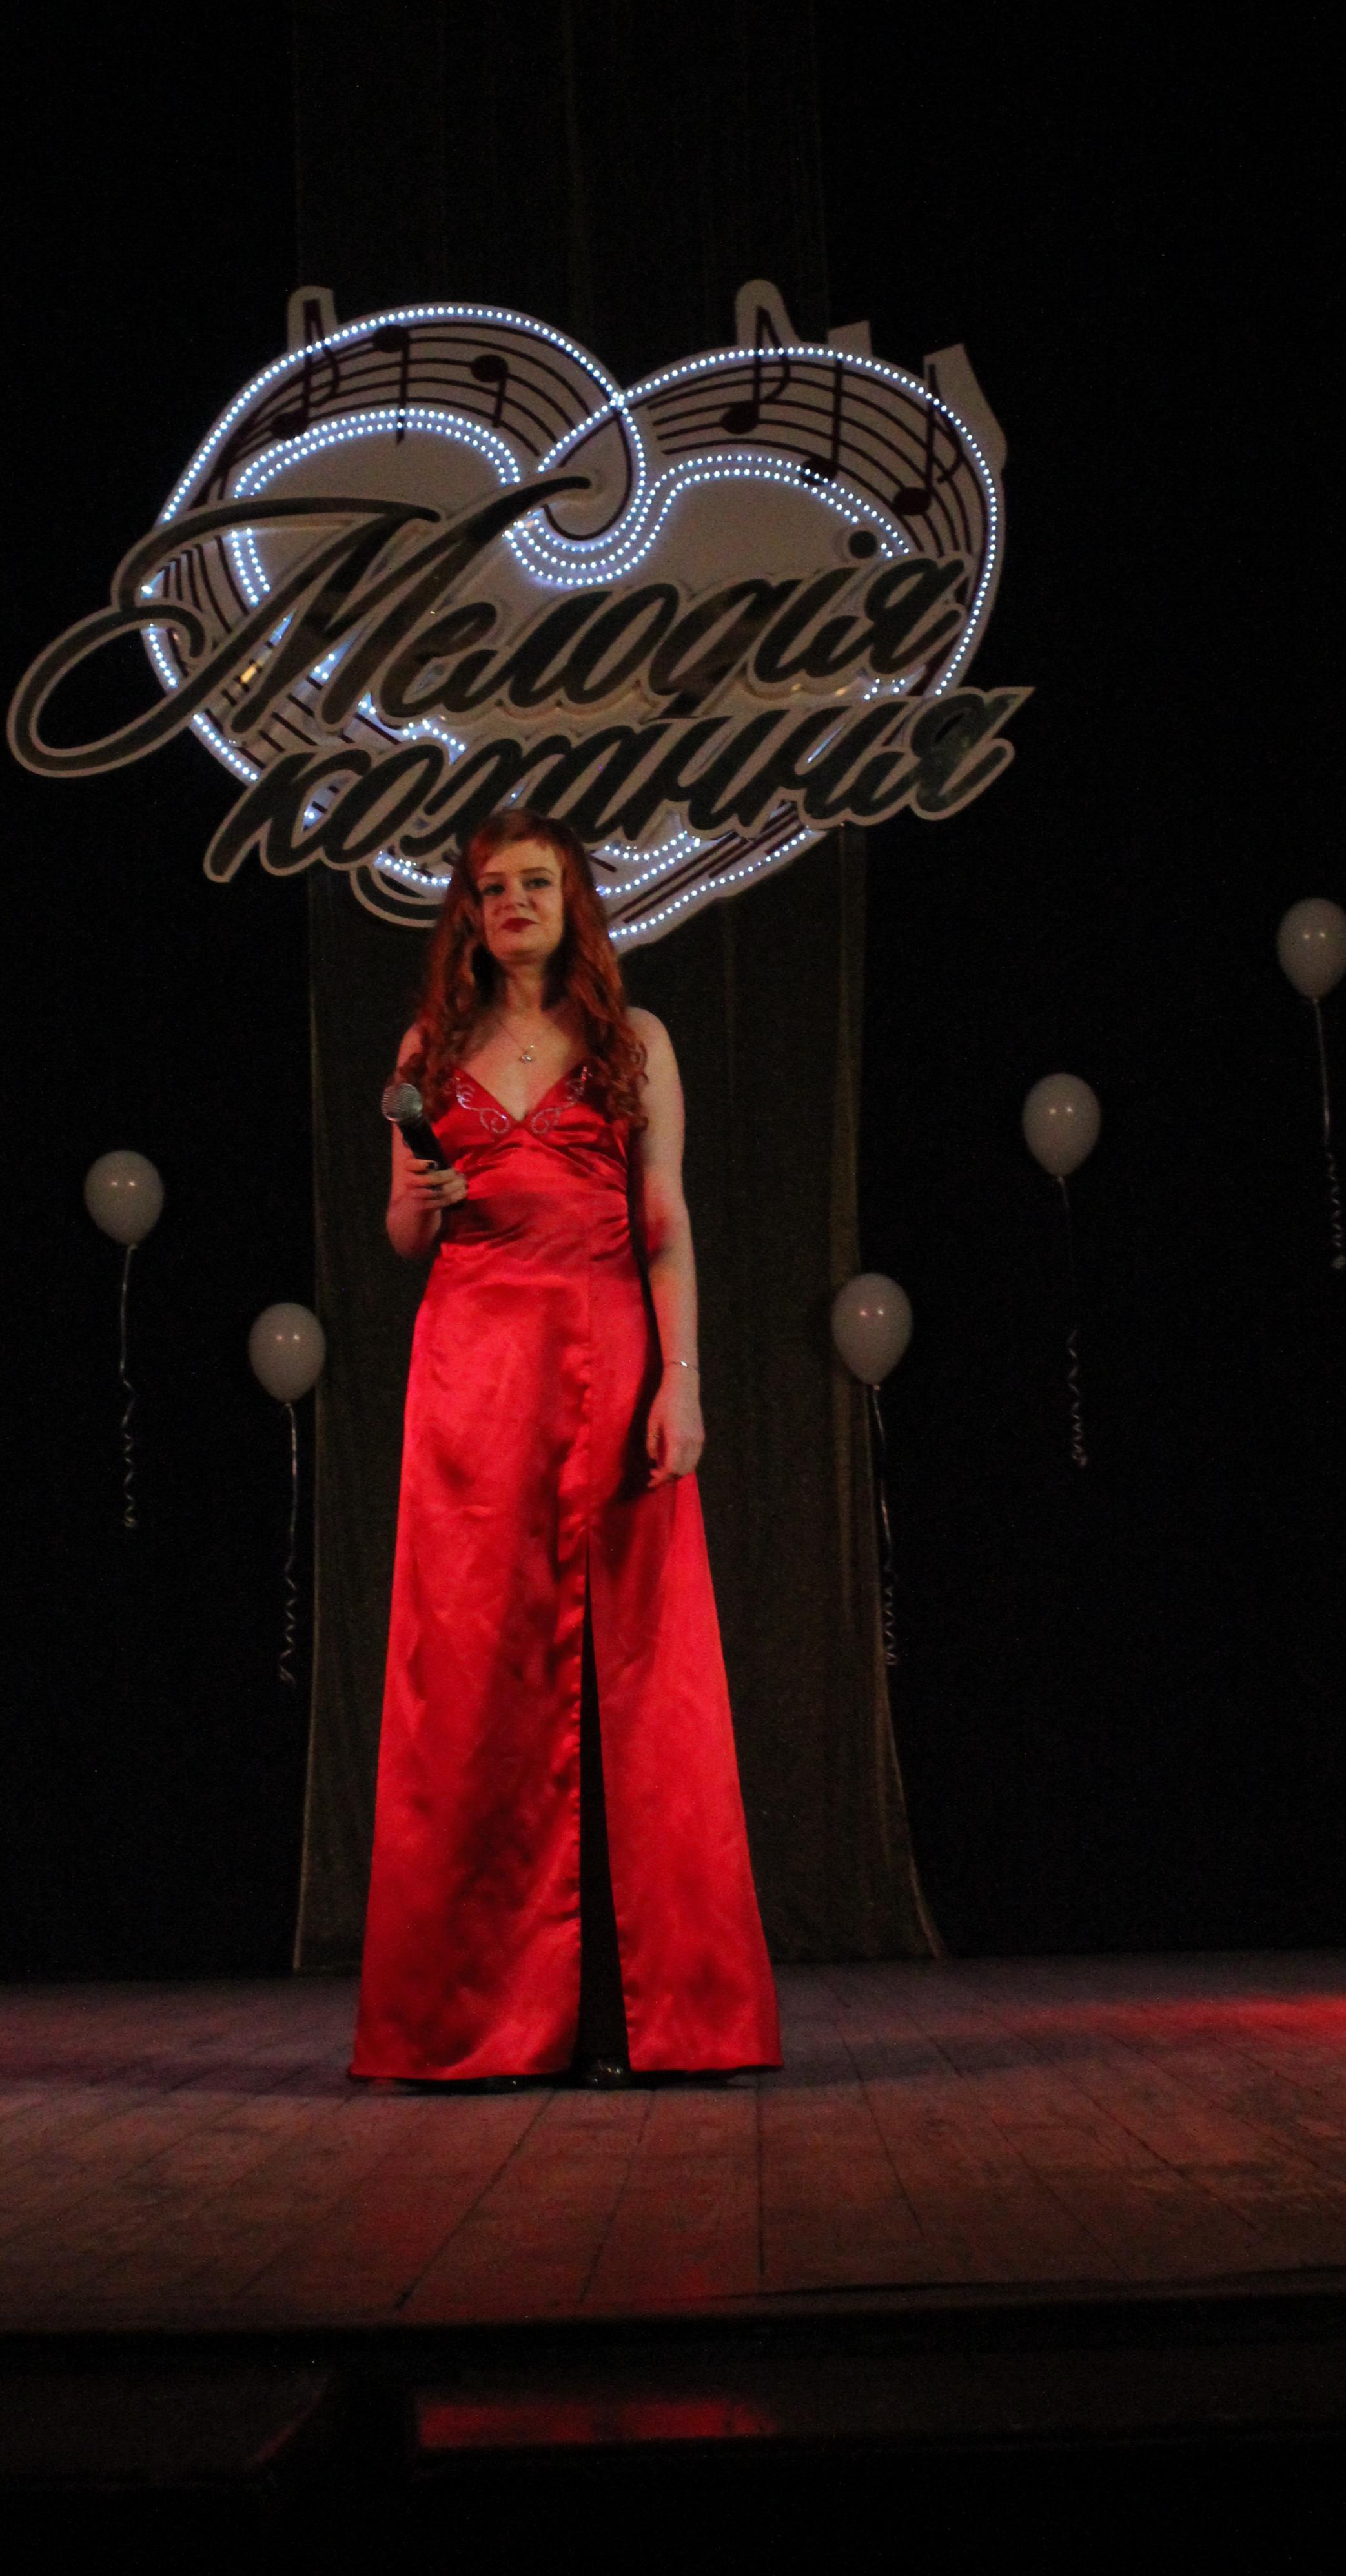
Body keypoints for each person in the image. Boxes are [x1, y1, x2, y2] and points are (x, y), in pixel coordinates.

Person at [351, 809, 781, 2085]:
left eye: (536, 884)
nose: (514, 905)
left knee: (630, 1675)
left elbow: (666, 1225)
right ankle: (475, 2018)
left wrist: (682, 1385)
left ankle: (637, 2017)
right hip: (472, 1382)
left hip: (607, 1362)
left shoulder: (631, 1040)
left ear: (574, 901)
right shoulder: (432, 1049)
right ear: (471, 913)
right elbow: (404, 1238)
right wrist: (417, 1198)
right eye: (493, 889)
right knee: (475, 1679)